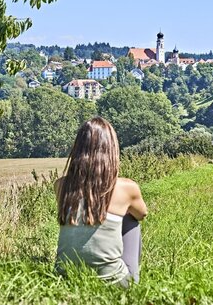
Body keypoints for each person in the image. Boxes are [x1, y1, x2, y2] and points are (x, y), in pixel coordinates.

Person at [55, 117, 148, 286]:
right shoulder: (127, 188)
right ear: (111, 149)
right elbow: (142, 214)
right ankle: (132, 281)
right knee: (131, 218)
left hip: (64, 279)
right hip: (114, 282)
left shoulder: (61, 185)